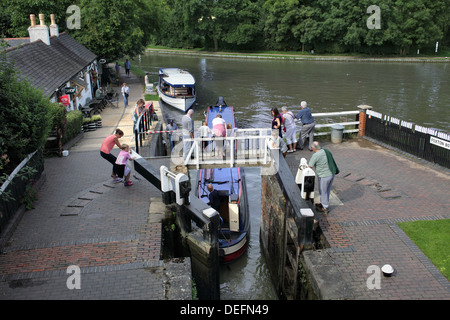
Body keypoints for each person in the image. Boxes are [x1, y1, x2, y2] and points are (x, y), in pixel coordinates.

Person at [308, 141, 339, 214]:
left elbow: (309, 166)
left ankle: (325, 207)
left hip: (323, 176)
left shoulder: (315, 155)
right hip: (331, 174)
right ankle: (323, 203)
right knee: (327, 190)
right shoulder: (326, 150)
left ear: (313, 148)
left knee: (323, 191)